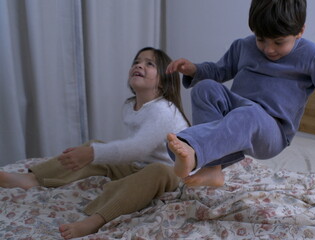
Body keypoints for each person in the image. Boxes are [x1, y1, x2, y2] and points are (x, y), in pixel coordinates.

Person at [0, 47, 190, 239]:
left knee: (155, 169)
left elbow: (138, 148)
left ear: (164, 80)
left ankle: (96, 220)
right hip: (140, 167)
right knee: (96, 144)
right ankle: (33, 179)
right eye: (137, 62)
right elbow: (134, 151)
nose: (139, 65)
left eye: (150, 64)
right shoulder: (130, 106)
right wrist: (94, 151)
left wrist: (92, 153)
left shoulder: (164, 111)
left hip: (173, 174)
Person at [166, 0, 315, 188]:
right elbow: (219, 71)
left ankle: (195, 151)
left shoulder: (313, 57)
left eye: (279, 42)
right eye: (260, 39)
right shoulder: (243, 46)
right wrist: (194, 70)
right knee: (205, 88)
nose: (268, 49)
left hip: (273, 130)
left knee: (247, 115)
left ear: (300, 32)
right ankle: (213, 168)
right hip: (239, 111)